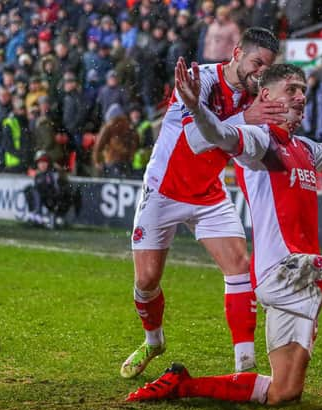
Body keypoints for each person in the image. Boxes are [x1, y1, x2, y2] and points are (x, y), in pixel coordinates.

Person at [126, 60, 322, 407]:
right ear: (266, 95)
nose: (300, 96)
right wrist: (196, 108)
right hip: (286, 268)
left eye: (303, 90)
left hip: (287, 277)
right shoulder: (260, 141)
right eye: (291, 89)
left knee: (283, 392)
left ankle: (181, 384)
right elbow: (221, 136)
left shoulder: (302, 147)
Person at [121, 27, 286, 379]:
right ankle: (153, 341)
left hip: (209, 192)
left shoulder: (257, 98)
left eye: (267, 68)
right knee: (147, 281)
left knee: (239, 266)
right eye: (257, 63)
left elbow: (249, 145)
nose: (261, 73)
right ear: (237, 53)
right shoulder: (201, 80)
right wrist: (247, 119)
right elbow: (196, 139)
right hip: (163, 189)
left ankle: (246, 367)